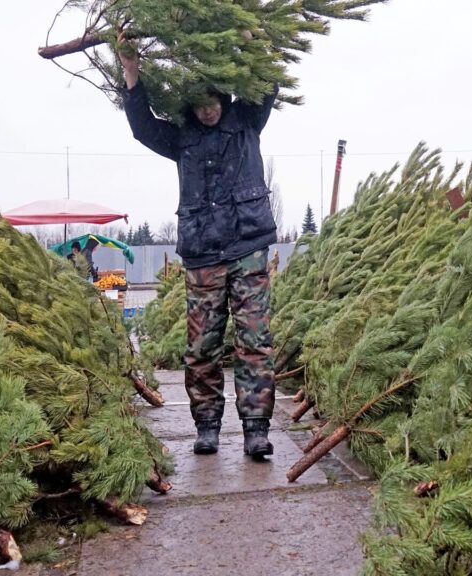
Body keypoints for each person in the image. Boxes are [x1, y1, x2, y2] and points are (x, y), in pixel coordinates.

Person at [116, 31, 279, 460]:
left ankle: (256, 430)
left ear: (224, 98)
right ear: (189, 105)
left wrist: (250, 42)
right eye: (199, 104)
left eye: (213, 102)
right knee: (202, 345)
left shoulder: (247, 120)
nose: (207, 111)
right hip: (203, 254)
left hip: (247, 249)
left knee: (253, 342)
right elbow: (142, 127)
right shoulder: (182, 138)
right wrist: (132, 71)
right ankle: (206, 425)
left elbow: (266, 83)